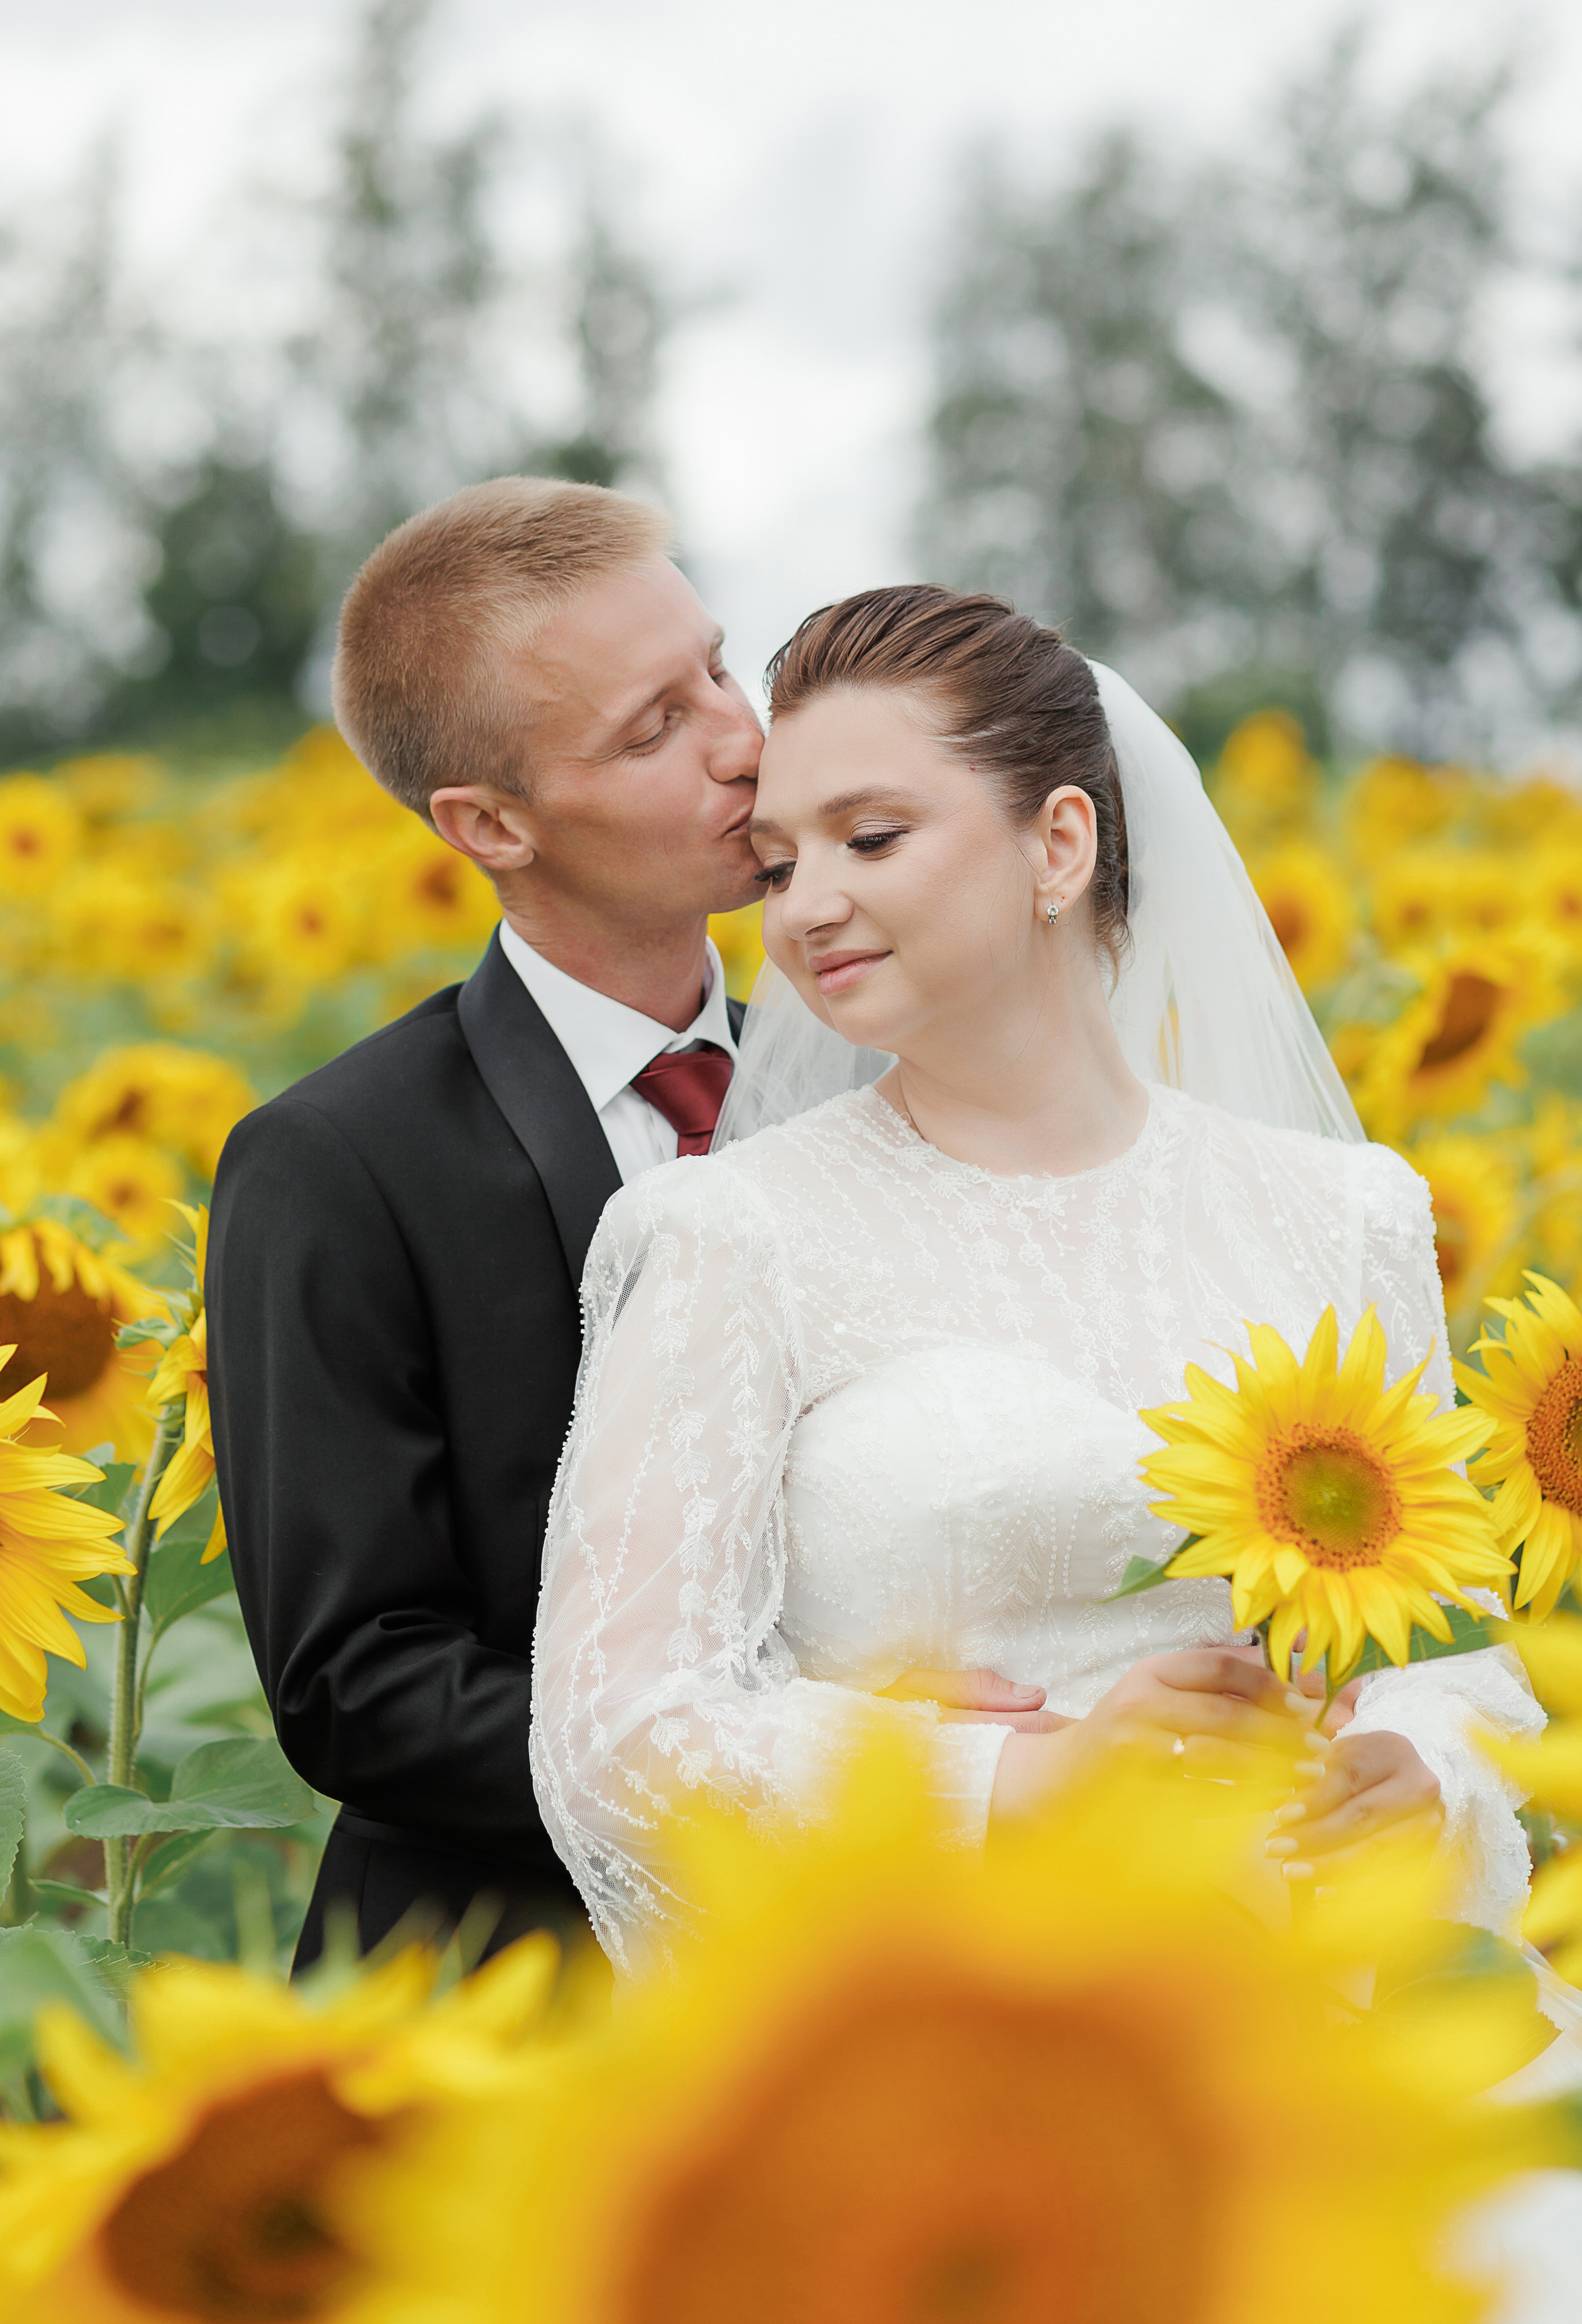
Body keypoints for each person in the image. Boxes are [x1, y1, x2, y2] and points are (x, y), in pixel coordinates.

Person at [530, 582, 1547, 1976]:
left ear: (1057, 843)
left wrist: (1417, 1770)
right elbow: (618, 1730)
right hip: (964, 2011)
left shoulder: (1345, 1212)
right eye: (774, 865)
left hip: (1322, 1998)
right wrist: (1005, 1784)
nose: (808, 905)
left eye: (869, 837)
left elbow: (1453, 1646)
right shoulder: (729, 1234)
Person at [208, 486, 1036, 1968]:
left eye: (719, 669)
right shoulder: (335, 1164)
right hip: (529, 1995)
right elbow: (359, 1687)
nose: (740, 740)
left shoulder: (899, 1078)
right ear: (488, 823)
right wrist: (817, 1770)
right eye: (653, 729)